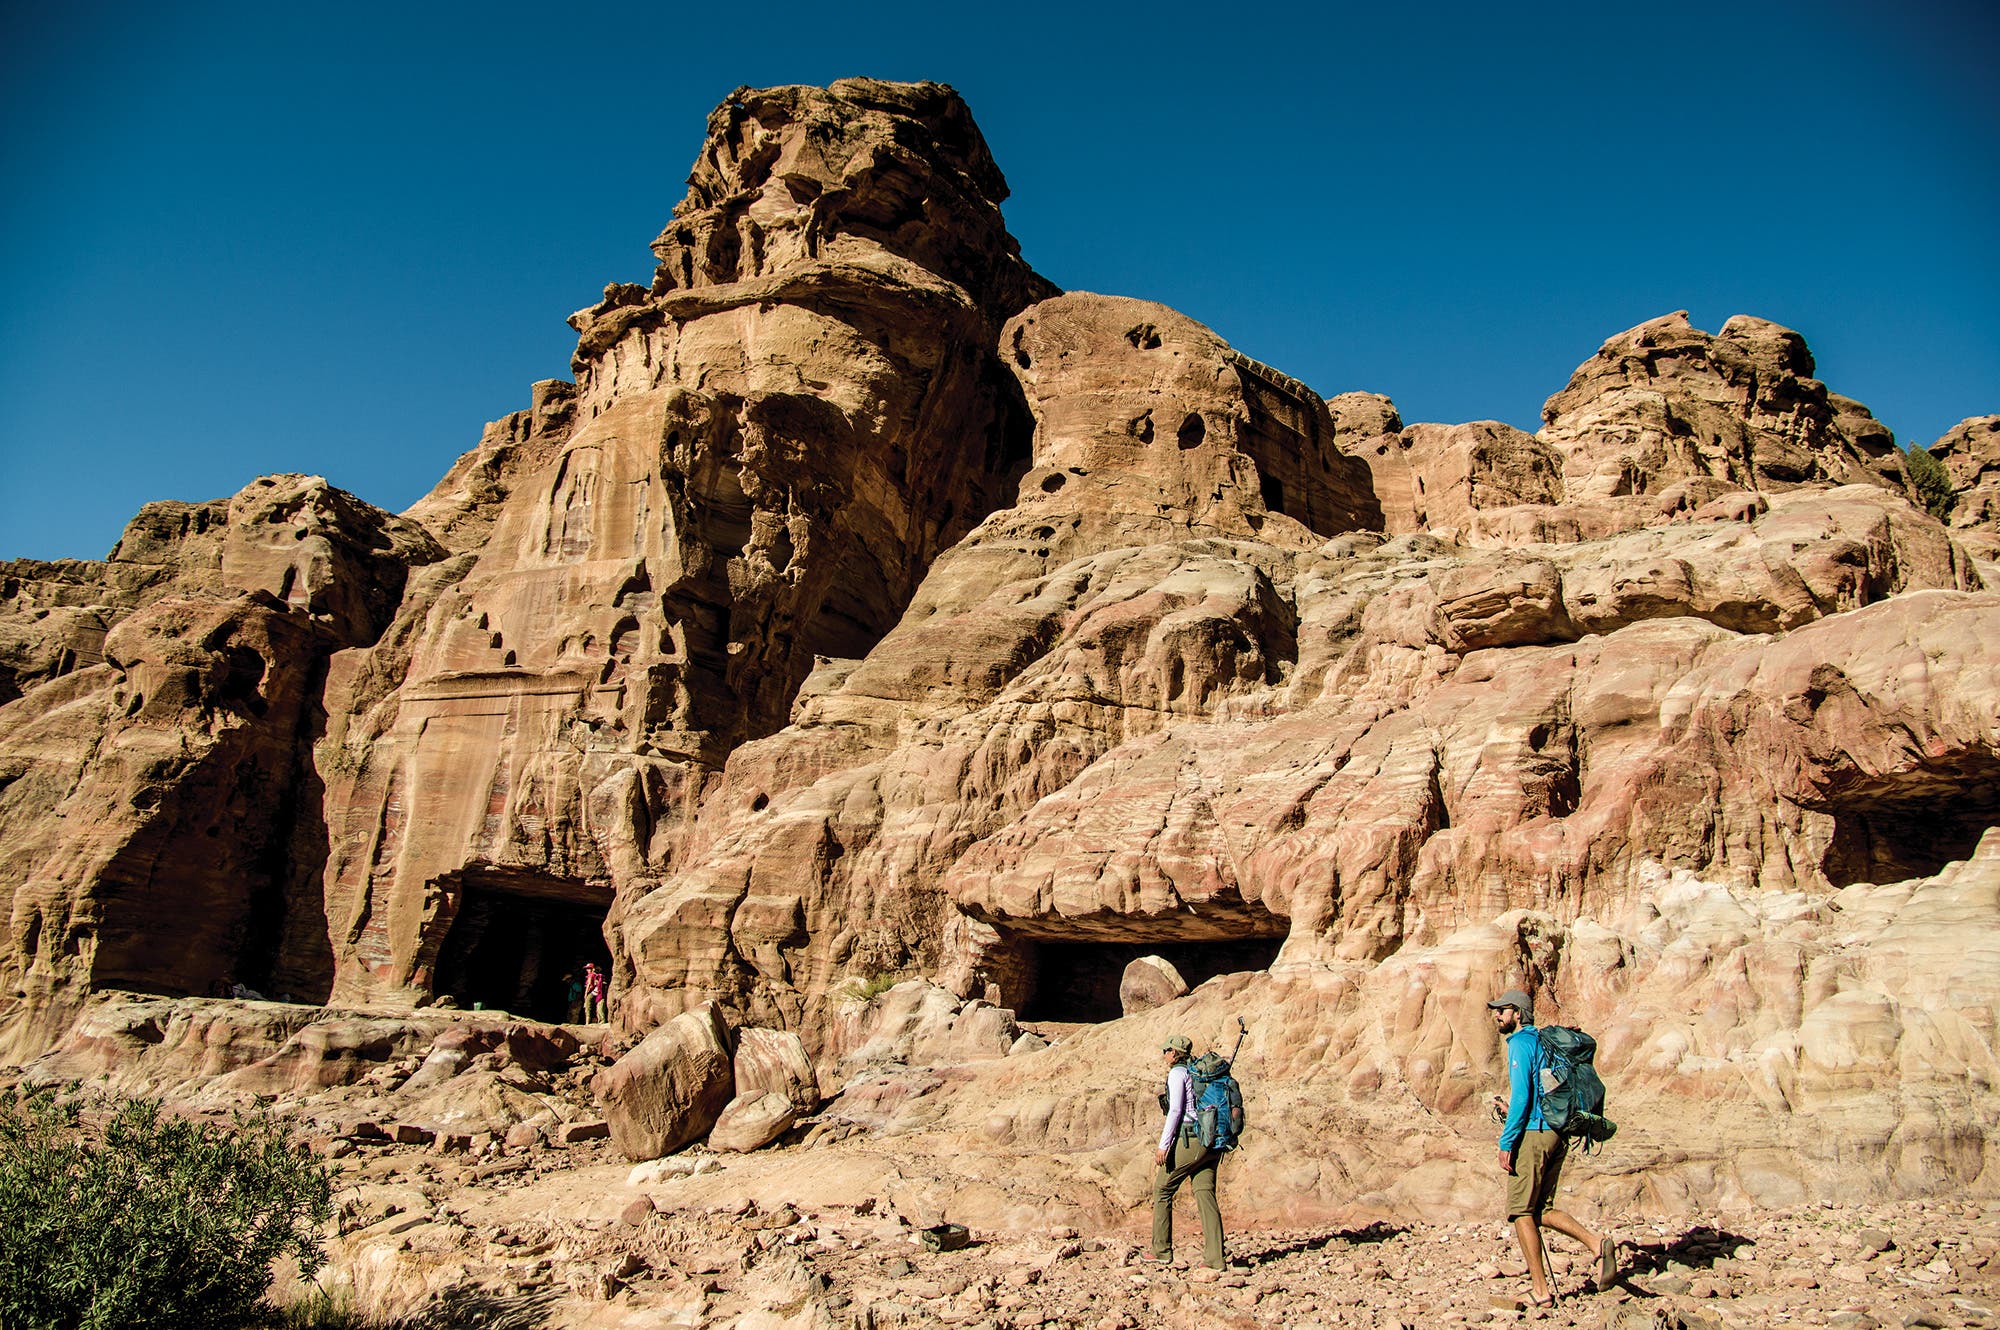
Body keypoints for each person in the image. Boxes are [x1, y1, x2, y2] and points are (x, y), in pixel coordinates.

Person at [1489, 989, 1619, 1305]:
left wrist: (1507, 1141)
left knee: (1520, 1211)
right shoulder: (1546, 1041)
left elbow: (1522, 1097)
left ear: (1517, 1013)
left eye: (1502, 1010)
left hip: (1533, 1135)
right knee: (1541, 1210)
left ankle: (1541, 1291)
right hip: (1557, 1133)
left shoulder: (1519, 1043)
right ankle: (1596, 1243)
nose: (1496, 1015)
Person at [1150, 1033, 1225, 1269]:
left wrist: (1164, 1145)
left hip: (1191, 1138)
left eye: (1166, 1051)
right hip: (1213, 1139)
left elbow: (1175, 1111)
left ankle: (1161, 1250)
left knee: (1162, 1189)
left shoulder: (1177, 1074)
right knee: (1204, 1193)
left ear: (1174, 1053)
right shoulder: (1197, 1071)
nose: (1164, 1055)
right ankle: (1215, 1259)